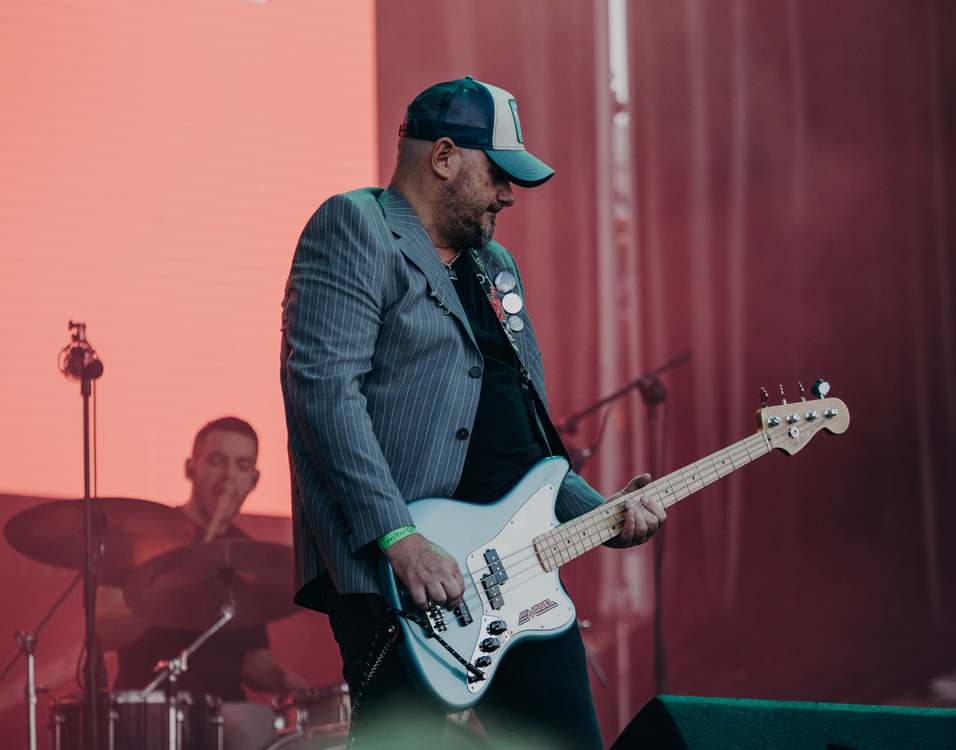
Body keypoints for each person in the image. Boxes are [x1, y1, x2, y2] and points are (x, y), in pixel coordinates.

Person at [280, 77, 665, 750]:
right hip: (403, 578)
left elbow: (523, 433)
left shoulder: (496, 266)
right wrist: (400, 540)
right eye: (499, 175)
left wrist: (599, 512)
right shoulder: (354, 226)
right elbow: (324, 391)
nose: (509, 195)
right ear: (446, 157)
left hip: (517, 578)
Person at [96, 417, 308, 750]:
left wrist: (307, 692)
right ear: (189, 468)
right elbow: (102, 629)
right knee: (255, 726)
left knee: (282, 732)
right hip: (147, 712)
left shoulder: (247, 558)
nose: (228, 476)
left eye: (242, 465)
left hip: (224, 713)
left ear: (253, 480)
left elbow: (255, 664)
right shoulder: (142, 537)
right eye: (216, 461)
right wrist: (171, 588)